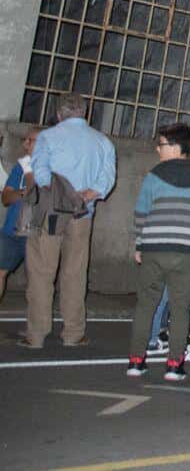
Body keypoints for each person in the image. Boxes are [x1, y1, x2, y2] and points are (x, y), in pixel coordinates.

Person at [21, 92, 116, 349]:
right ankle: (73, 333)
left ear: (59, 113)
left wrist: (59, 193)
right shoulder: (102, 141)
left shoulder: (48, 137)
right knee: (75, 272)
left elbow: (40, 174)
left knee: (41, 271)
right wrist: (87, 193)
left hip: (51, 213)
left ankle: (37, 333)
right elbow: (107, 179)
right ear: (84, 112)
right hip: (82, 213)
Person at [126, 123, 190, 381]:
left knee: (146, 305)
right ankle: (175, 365)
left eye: (162, 144)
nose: (158, 149)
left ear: (176, 147)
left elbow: (141, 213)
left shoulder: (155, 175)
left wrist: (140, 243)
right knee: (180, 308)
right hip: (186, 250)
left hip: (154, 246)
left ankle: (136, 360)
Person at [0, 127, 40, 303]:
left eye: (30, 140)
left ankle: (37, 325)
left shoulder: (56, 166)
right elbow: (6, 197)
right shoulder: (21, 166)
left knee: (38, 279)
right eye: (25, 139)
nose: (25, 144)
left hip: (40, 230)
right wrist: (24, 193)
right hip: (13, 228)